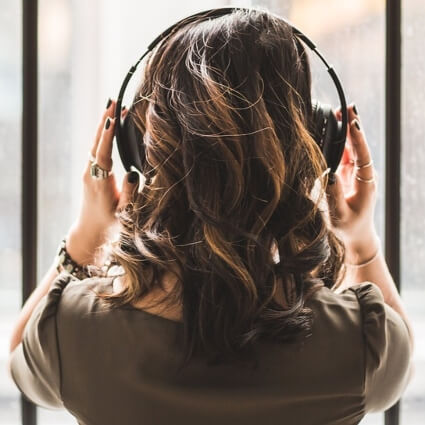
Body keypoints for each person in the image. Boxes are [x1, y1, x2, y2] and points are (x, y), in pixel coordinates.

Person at [7, 8, 414, 425]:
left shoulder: (73, 332)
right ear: (316, 145)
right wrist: (361, 240)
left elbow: (20, 357)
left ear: (138, 150)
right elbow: (398, 363)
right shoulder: (361, 343)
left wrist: (87, 234)